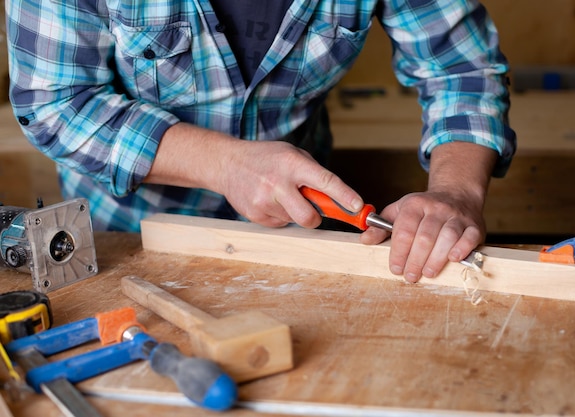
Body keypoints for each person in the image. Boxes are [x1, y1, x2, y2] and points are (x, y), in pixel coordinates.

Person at [6, 0, 516, 283]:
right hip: (125, 248)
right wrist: (226, 164)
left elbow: (461, 68)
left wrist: (457, 191)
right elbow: (56, 103)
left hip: (300, 240)